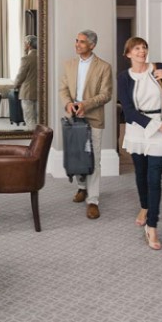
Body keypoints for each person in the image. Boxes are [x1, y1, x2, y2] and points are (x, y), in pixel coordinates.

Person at [118, 36, 162, 250]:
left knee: (154, 178)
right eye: (136, 48)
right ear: (128, 54)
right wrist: (157, 126)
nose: (142, 51)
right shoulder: (124, 77)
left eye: (144, 48)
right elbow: (128, 110)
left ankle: (152, 226)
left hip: (160, 128)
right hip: (138, 130)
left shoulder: (158, 69)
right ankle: (144, 206)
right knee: (140, 173)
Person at [59, 29, 113, 219]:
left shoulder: (104, 67)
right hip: (74, 117)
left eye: (82, 42)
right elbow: (63, 88)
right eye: (76, 41)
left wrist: (85, 105)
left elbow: (106, 94)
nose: (77, 44)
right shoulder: (69, 64)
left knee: (94, 160)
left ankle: (93, 200)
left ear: (92, 45)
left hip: (94, 118)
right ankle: (82, 188)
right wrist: (68, 103)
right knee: (77, 155)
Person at [14, 35, 38, 128]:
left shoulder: (26, 58)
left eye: (24, 43)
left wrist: (15, 85)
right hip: (41, 93)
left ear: (28, 44)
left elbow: (20, 76)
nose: (24, 45)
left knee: (30, 119)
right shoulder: (43, 57)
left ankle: (33, 139)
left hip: (28, 93)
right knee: (39, 119)